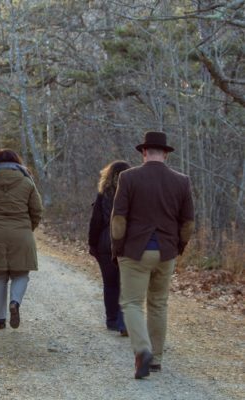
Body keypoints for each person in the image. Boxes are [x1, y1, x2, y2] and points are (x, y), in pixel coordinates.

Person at [111, 131, 195, 379]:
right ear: (166, 154)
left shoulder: (128, 178)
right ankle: (156, 359)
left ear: (144, 152)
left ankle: (142, 350)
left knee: (132, 303)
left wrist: (117, 247)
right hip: (166, 251)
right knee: (158, 303)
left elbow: (118, 219)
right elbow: (188, 223)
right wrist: (178, 246)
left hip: (135, 252)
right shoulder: (182, 181)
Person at [0, 149, 43, 329]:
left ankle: (0, 319)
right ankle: (15, 302)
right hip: (21, 232)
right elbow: (37, 210)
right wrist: (28, 228)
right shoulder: (27, 182)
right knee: (21, 273)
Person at [88, 160, 130, 336]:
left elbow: (95, 222)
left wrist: (92, 244)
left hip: (105, 243)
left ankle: (111, 320)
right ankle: (124, 321)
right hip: (128, 243)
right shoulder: (132, 194)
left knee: (110, 284)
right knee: (125, 284)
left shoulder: (103, 195)